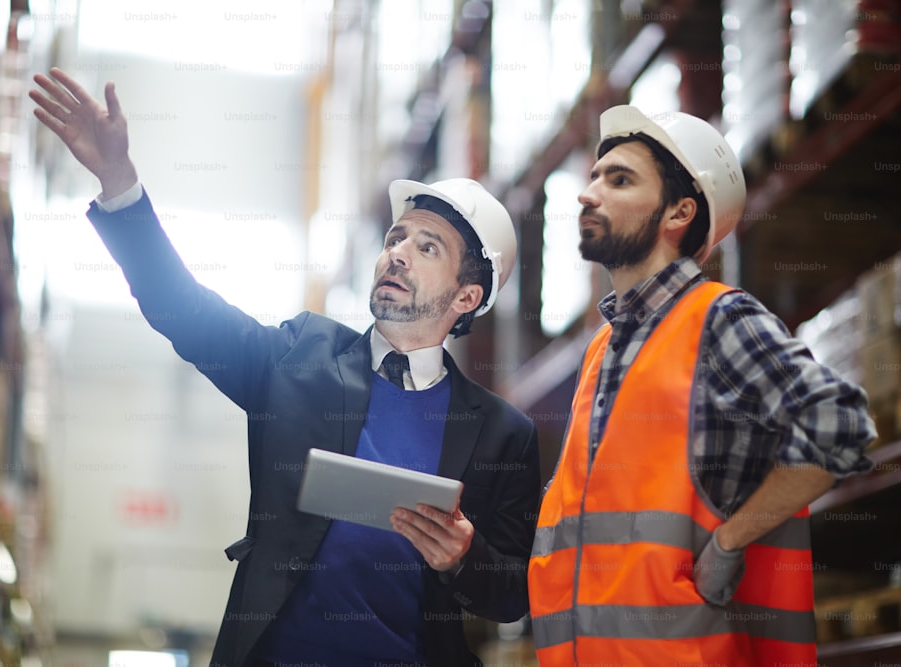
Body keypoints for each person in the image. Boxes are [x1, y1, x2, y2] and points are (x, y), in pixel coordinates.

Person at [29, 68, 540, 667]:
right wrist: (118, 180)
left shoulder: (503, 433)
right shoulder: (302, 356)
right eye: (396, 238)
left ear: (466, 298)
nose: (396, 252)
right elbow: (184, 310)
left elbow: (514, 594)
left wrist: (462, 555)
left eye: (427, 247)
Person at [527, 105, 877, 666]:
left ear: (678, 213)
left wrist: (729, 542)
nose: (588, 194)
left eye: (619, 179)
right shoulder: (602, 349)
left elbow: (840, 425)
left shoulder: (717, 320)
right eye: (593, 177)